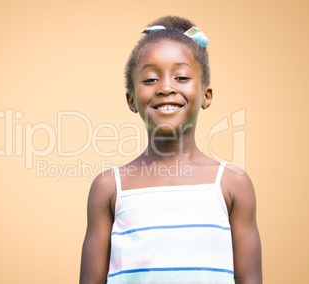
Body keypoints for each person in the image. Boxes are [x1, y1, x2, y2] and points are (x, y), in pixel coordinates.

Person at [80, 15, 262, 284]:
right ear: (131, 99)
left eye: (182, 77)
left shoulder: (233, 184)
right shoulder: (109, 187)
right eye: (150, 79)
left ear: (205, 95)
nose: (166, 87)